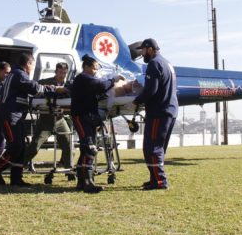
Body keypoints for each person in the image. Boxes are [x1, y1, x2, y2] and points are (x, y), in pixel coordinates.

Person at [0, 52, 55, 187]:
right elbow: (34, 88)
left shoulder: (16, 74)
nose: (33, 68)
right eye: (32, 65)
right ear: (28, 64)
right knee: (15, 146)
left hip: (16, 115)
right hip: (10, 116)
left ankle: (16, 178)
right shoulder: (20, 74)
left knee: (20, 147)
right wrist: (54, 89)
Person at [70, 54, 124, 193]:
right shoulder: (83, 78)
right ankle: (87, 182)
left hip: (88, 117)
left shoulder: (87, 79)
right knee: (89, 148)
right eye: (94, 68)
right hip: (81, 117)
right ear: (86, 67)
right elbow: (101, 86)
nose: (96, 71)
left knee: (86, 149)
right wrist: (114, 80)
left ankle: (82, 181)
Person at [133, 38, 178, 190]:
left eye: (143, 50)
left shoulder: (154, 64)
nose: (142, 53)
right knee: (158, 147)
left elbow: (151, 90)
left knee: (152, 147)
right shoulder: (166, 63)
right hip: (169, 109)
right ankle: (154, 178)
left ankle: (159, 181)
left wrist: (137, 99)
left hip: (159, 111)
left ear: (150, 49)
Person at [23, 61, 72, 171]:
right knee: (35, 146)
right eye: (60, 72)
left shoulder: (68, 85)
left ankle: (69, 170)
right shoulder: (46, 82)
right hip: (46, 118)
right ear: (56, 71)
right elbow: (35, 89)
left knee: (68, 145)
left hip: (60, 119)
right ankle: (19, 165)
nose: (62, 75)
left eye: (64, 73)